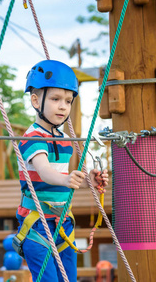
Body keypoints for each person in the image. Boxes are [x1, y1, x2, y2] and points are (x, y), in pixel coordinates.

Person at [12, 60, 109, 282]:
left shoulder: (65, 139)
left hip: (63, 222)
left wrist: (88, 182)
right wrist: (67, 180)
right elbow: (46, 172)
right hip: (37, 224)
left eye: (68, 100)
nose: (63, 106)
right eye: (55, 99)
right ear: (36, 101)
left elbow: (64, 179)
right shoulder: (32, 137)